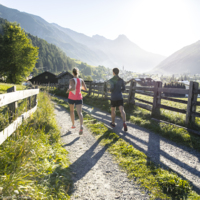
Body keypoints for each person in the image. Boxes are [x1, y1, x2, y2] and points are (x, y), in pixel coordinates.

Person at [66, 68, 87, 135]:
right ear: (78, 73)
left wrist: (68, 90)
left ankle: (73, 125)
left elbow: (73, 88)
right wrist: (80, 87)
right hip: (79, 97)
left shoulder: (71, 80)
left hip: (71, 97)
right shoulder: (81, 80)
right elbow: (85, 89)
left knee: (72, 111)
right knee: (79, 112)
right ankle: (81, 126)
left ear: (73, 73)